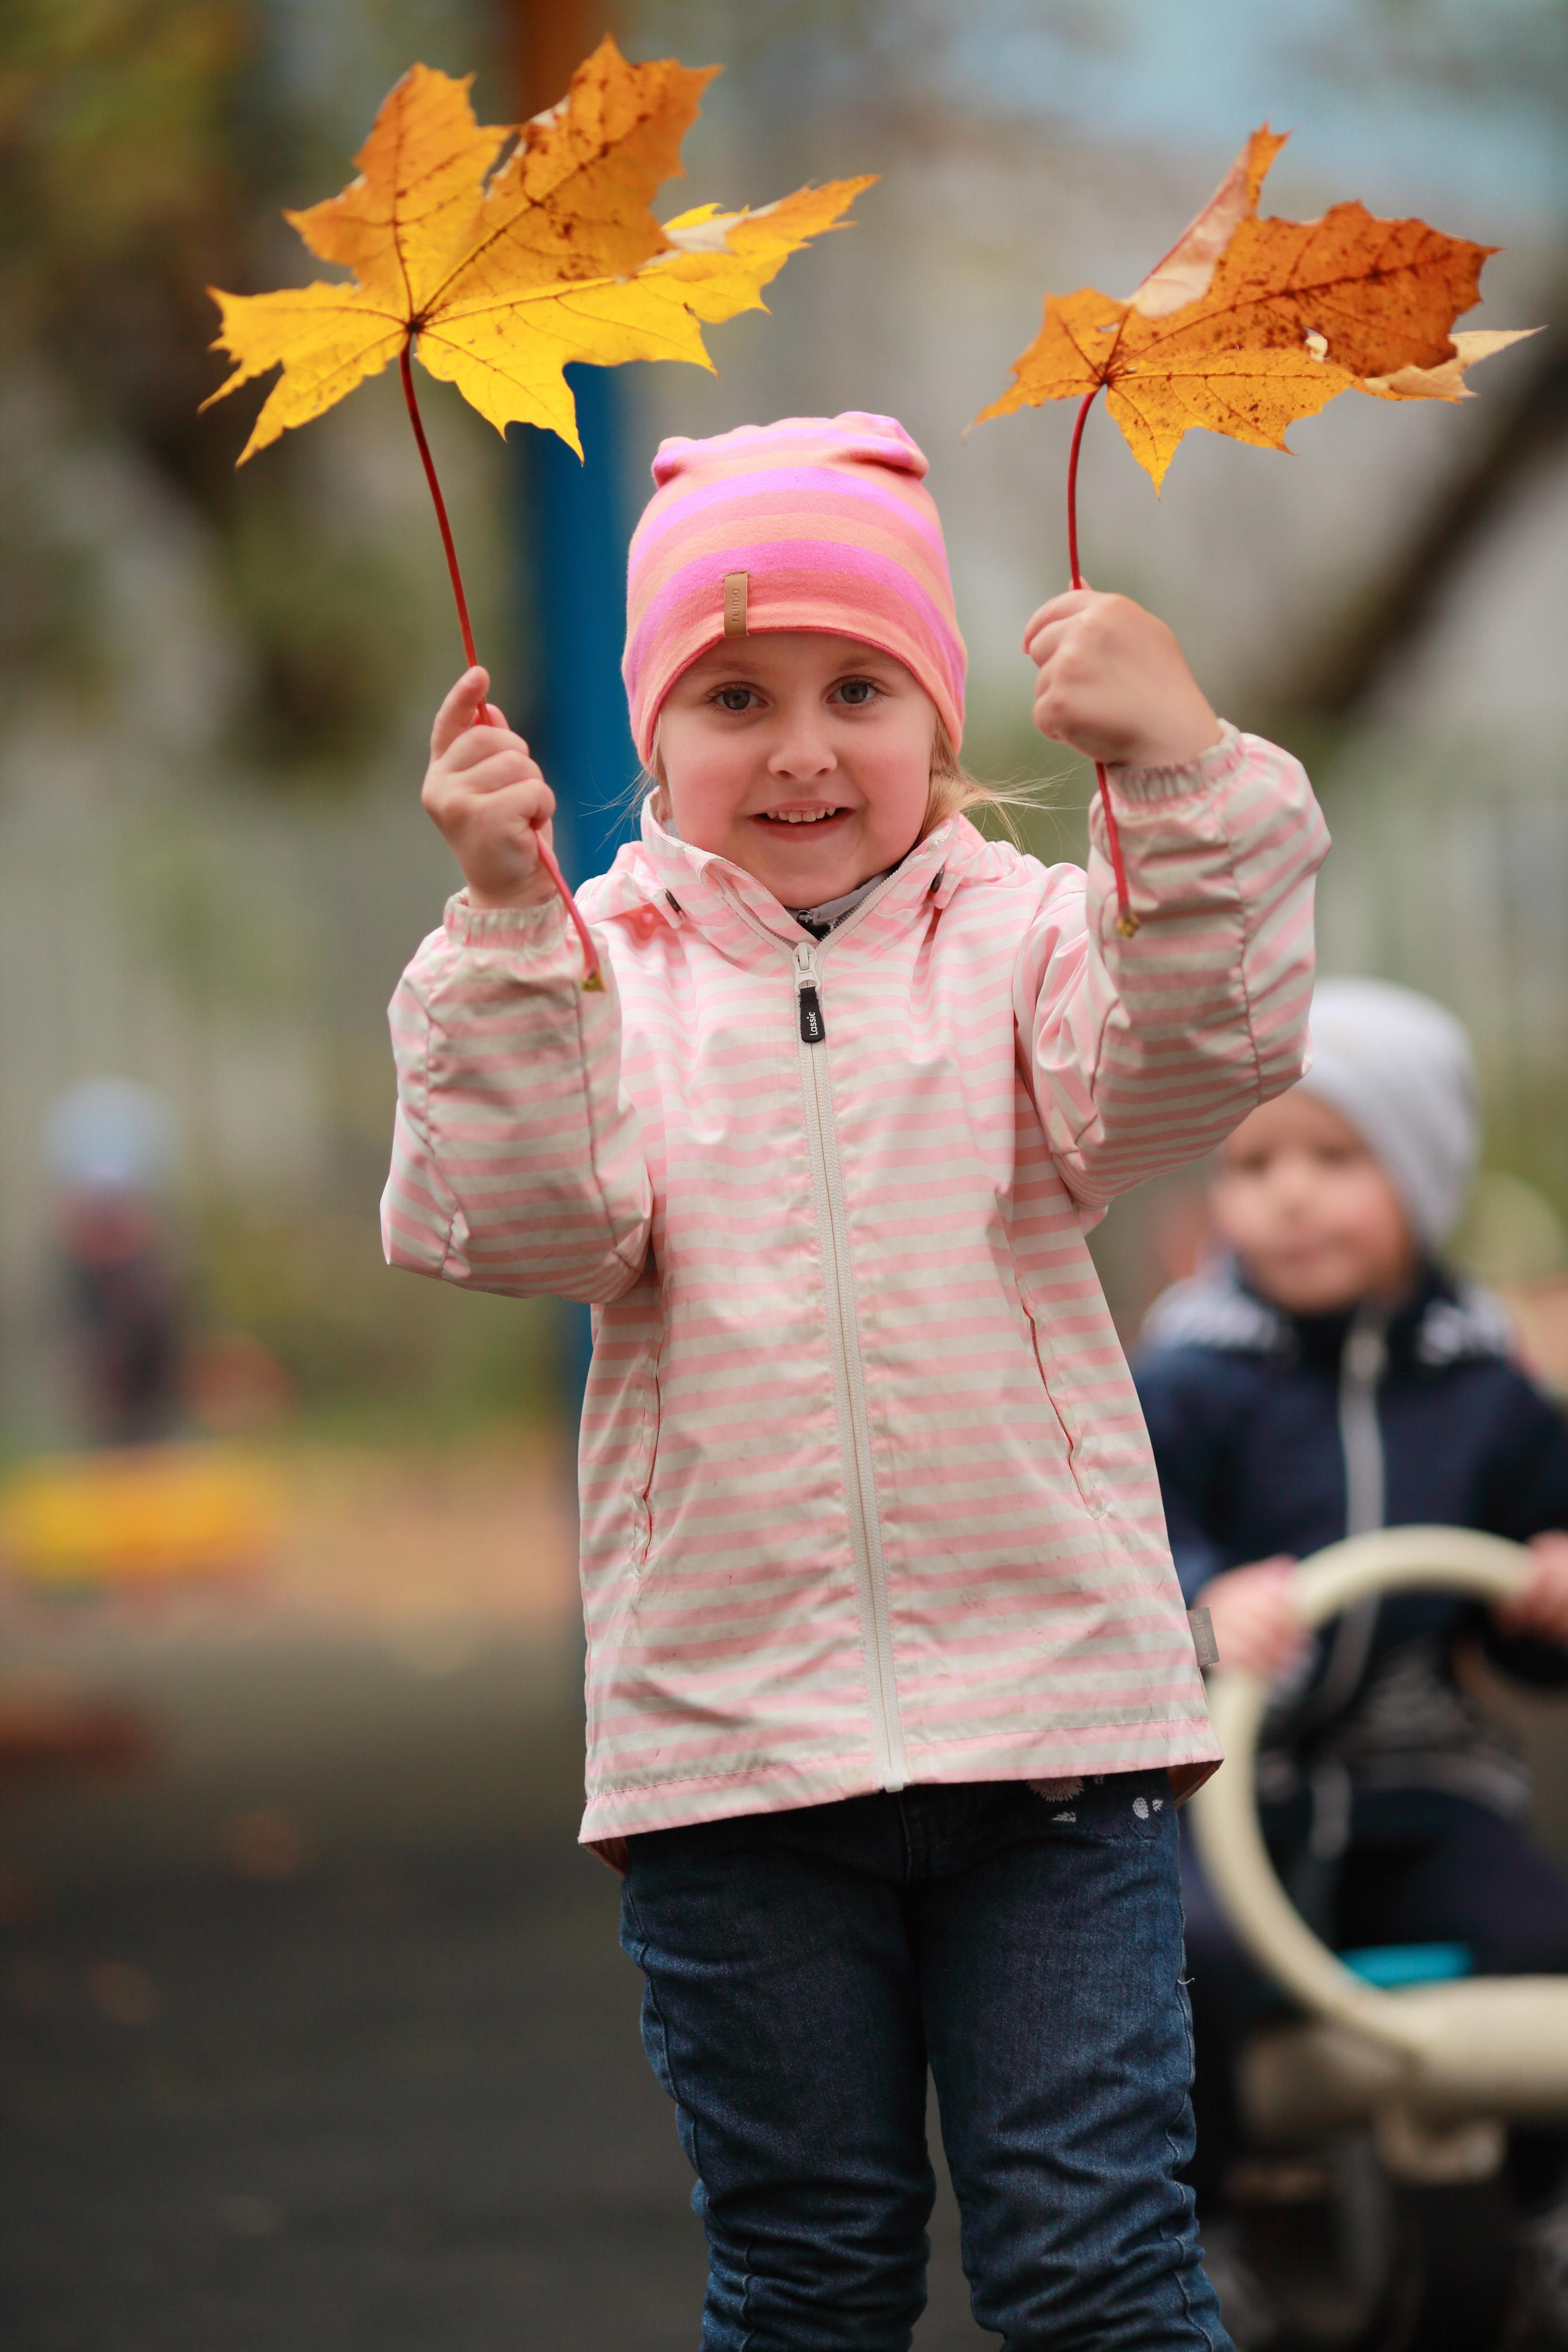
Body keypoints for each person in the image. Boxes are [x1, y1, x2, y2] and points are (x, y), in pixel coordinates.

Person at [383, 412, 1328, 2351]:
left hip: (1057, 1736)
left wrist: (1183, 771)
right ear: (653, 738)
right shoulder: (590, 969)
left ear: (942, 717)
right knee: (809, 2281)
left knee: (1098, 2271)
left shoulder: (1030, 944)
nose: (803, 746)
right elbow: (527, 1222)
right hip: (732, 1754)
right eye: (733, 694)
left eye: (858, 687)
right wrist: (498, 920)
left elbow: (1194, 1049)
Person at [1134, 981, 1568, 2281]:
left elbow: (1527, 1617)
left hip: (1406, 1769)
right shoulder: (1187, 1375)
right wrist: (1205, 1599)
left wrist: (1544, 1594)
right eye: (1254, 1162)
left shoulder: (1485, 1386)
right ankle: (1188, 2240)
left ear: (1421, 1179)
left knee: (1535, 1934)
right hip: (1221, 1782)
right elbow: (1129, 1532)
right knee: (1172, 1967)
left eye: (1334, 1157)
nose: (1287, 1195)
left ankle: (1545, 2213)